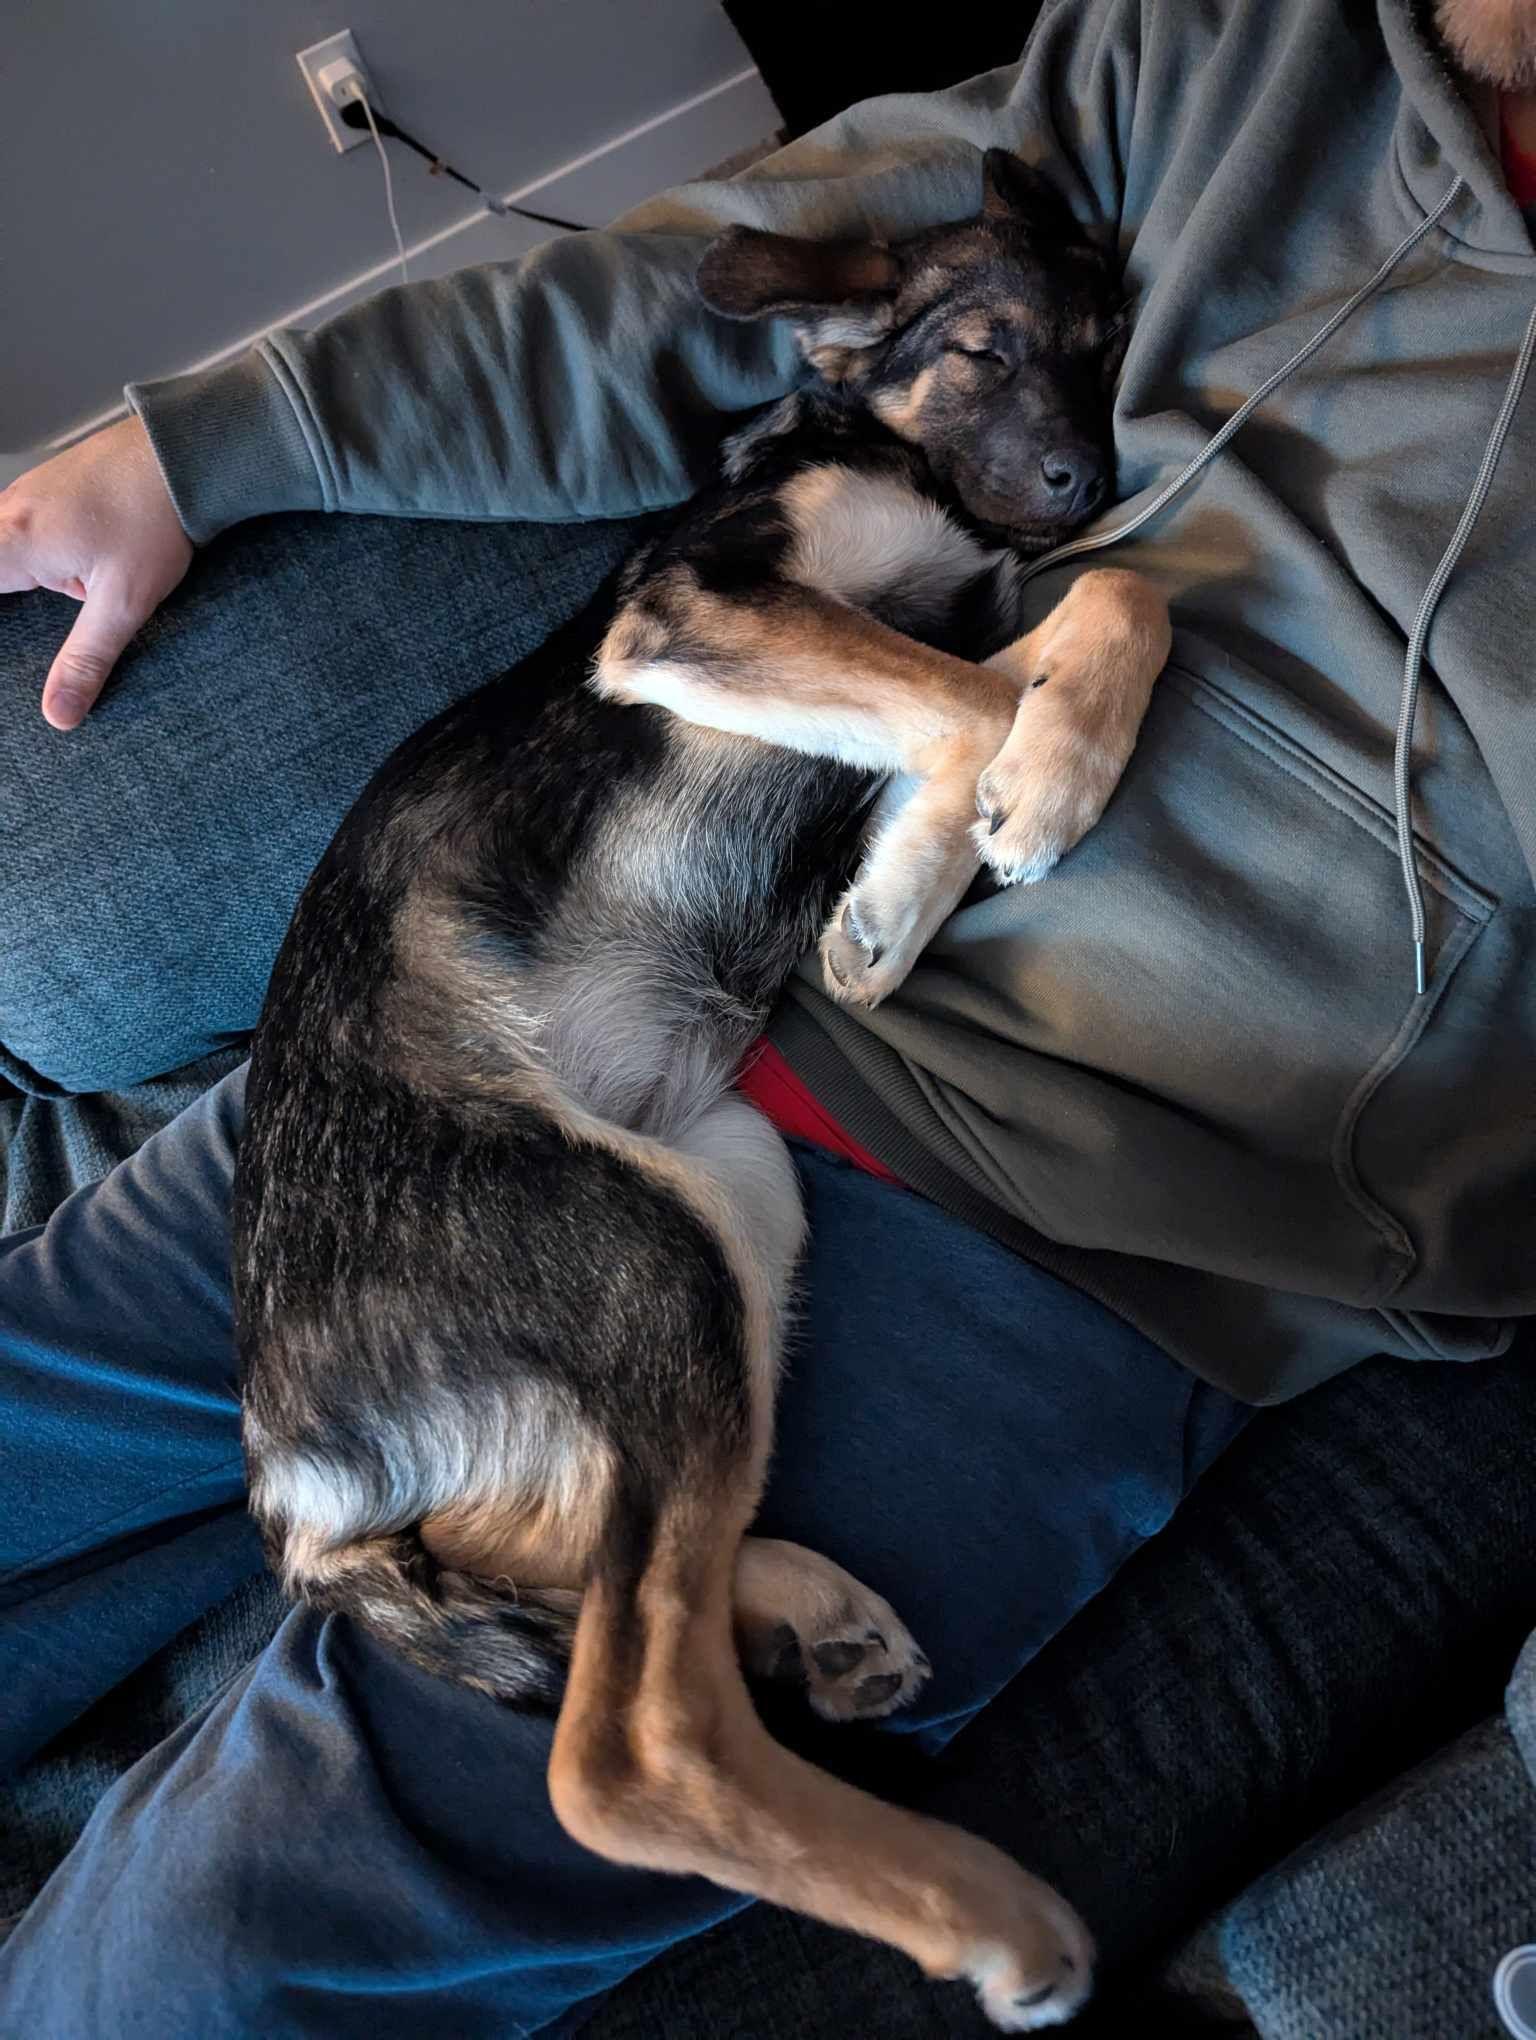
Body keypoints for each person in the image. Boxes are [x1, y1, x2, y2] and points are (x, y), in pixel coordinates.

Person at [1, 0, 1533, 2031]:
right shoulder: (1248, 45)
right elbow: (750, 276)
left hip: (1029, 1172)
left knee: (224, 1940)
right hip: (557, 950)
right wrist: (214, 439)